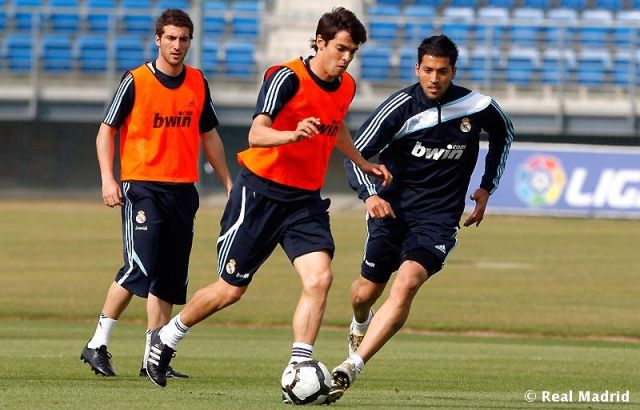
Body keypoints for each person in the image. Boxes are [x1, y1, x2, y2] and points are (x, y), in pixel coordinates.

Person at [142, 7, 392, 389]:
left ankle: (299, 366)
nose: (346, 58)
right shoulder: (285, 77)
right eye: (340, 49)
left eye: (352, 52)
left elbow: (335, 125)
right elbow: (256, 134)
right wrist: (292, 134)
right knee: (230, 290)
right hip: (259, 194)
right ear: (320, 42)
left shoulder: (346, 86)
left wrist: (362, 161)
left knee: (320, 278)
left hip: (304, 201)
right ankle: (167, 336)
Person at [326, 34, 514, 403]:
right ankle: (361, 321)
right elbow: (356, 155)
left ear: (453, 72)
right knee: (365, 292)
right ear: (417, 69)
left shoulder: (476, 106)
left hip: (438, 219)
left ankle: (352, 366)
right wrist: (370, 195)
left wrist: (487, 186)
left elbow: (504, 134)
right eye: (428, 70)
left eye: (442, 71)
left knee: (408, 281)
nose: (434, 78)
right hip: (391, 212)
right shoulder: (399, 107)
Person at [80, 8, 233, 379]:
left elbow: (209, 135)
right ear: (158, 40)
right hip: (142, 186)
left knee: (169, 275)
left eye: (183, 39)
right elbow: (106, 131)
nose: (177, 45)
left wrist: (229, 182)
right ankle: (97, 343)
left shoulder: (197, 82)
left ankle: (154, 357)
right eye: (171, 38)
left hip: (183, 190)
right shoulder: (135, 80)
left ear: (190, 42)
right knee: (140, 266)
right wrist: (108, 179)